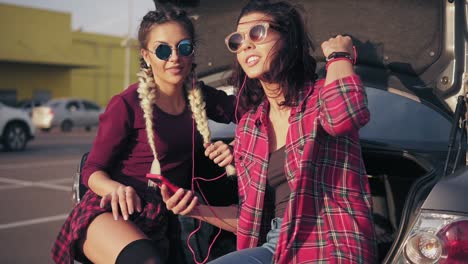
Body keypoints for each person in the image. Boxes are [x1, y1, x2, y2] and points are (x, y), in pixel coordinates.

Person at [161, 0, 378, 263]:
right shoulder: (250, 127)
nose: (246, 45)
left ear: (287, 37)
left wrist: (339, 56)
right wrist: (196, 209)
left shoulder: (321, 95)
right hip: (276, 246)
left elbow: (345, 116)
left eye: (257, 33)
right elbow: (249, 220)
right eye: (238, 40)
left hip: (330, 243)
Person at [51, 4, 238, 264]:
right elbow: (92, 170)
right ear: (146, 56)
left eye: (183, 47)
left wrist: (236, 148)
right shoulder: (126, 104)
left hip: (166, 217)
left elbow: (250, 113)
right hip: (115, 211)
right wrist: (116, 189)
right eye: (163, 50)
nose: (174, 57)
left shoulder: (200, 95)